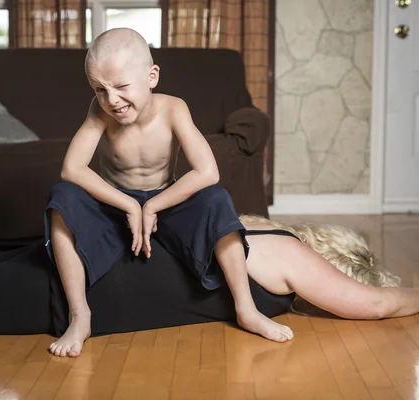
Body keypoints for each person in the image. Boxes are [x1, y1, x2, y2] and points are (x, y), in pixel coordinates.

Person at [0, 216, 419, 358]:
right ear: (335, 265)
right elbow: (376, 305)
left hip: (66, 257)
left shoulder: (255, 222)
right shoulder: (284, 256)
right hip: (63, 292)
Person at [44, 26, 289, 358]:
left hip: (165, 200)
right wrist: (130, 206)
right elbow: (72, 168)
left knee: (217, 198)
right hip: (116, 204)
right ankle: (80, 315)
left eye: (120, 86)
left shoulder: (174, 109)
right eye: (99, 89)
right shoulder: (98, 110)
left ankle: (245, 308)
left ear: (152, 76)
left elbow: (208, 171)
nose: (111, 99)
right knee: (63, 198)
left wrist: (153, 205)